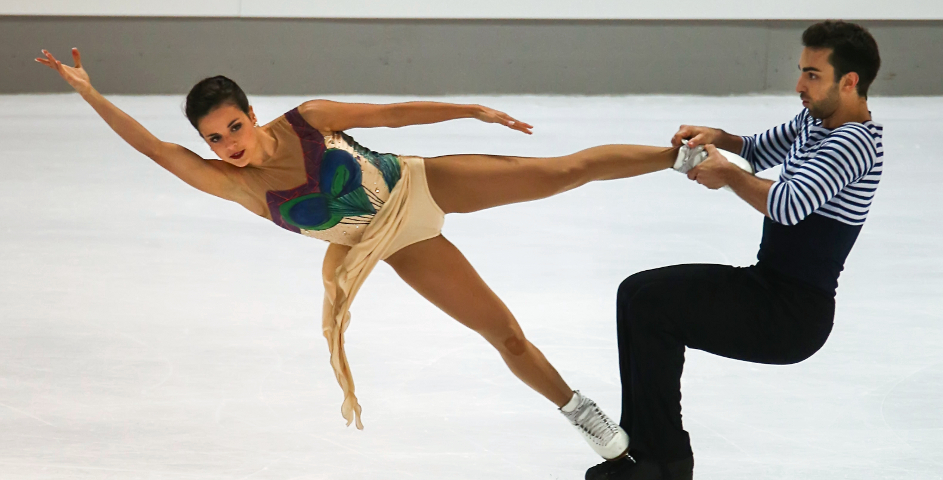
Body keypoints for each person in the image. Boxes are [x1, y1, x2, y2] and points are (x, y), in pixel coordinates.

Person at [35, 48, 687, 460]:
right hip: (399, 244)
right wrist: (91, 94)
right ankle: (585, 416)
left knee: (562, 171)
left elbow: (393, 115)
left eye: (234, 126)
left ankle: (678, 155)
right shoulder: (233, 184)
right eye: (215, 138)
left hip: (424, 181)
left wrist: (469, 110)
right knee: (506, 336)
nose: (229, 143)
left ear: (250, 113)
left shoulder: (308, 118)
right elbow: (153, 148)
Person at [589, 20, 883, 479]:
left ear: (850, 82)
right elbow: (759, 149)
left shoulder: (854, 144)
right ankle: (652, 455)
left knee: (651, 304)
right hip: (767, 287)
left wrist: (728, 176)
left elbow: (787, 205)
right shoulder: (817, 120)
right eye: (802, 71)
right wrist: (719, 139)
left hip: (790, 314)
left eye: (812, 75)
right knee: (638, 295)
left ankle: (660, 461)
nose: (799, 85)